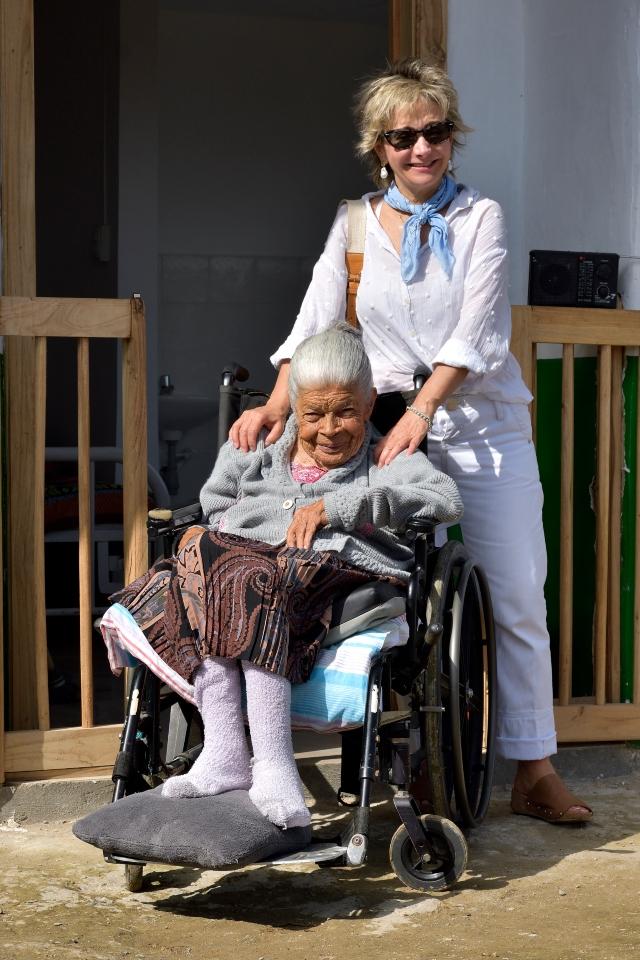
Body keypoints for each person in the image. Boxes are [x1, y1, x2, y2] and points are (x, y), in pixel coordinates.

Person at [229, 59, 592, 824]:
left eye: (435, 132)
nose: (421, 147)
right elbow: (314, 322)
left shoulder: (481, 217)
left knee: (519, 593)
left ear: (453, 138)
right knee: (395, 591)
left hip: (479, 424)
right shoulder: (354, 223)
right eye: (404, 136)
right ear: (381, 148)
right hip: (387, 427)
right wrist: (273, 404)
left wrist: (425, 412)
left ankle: (534, 767)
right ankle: (414, 760)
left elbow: (478, 327)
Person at [103, 323, 462, 830]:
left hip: (335, 580)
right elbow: (214, 505)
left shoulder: (386, 459)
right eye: (313, 413)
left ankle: (270, 764)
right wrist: (234, 539)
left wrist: (337, 507)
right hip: (246, 577)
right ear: (292, 403)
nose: (330, 429)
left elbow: (445, 500)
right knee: (181, 570)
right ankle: (228, 754)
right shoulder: (260, 446)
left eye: (347, 412)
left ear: (370, 401)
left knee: (237, 574)